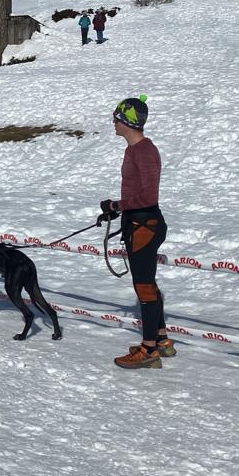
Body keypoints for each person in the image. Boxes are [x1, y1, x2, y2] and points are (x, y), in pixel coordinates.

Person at [99, 95, 174, 369]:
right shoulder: (133, 150)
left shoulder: (144, 151)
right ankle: (161, 340)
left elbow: (149, 196)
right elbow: (137, 194)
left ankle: (149, 349)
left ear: (126, 122)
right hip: (136, 222)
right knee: (147, 283)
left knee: (143, 287)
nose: (113, 122)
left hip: (146, 224)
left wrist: (116, 205)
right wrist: (117, 210)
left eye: (116, 118)